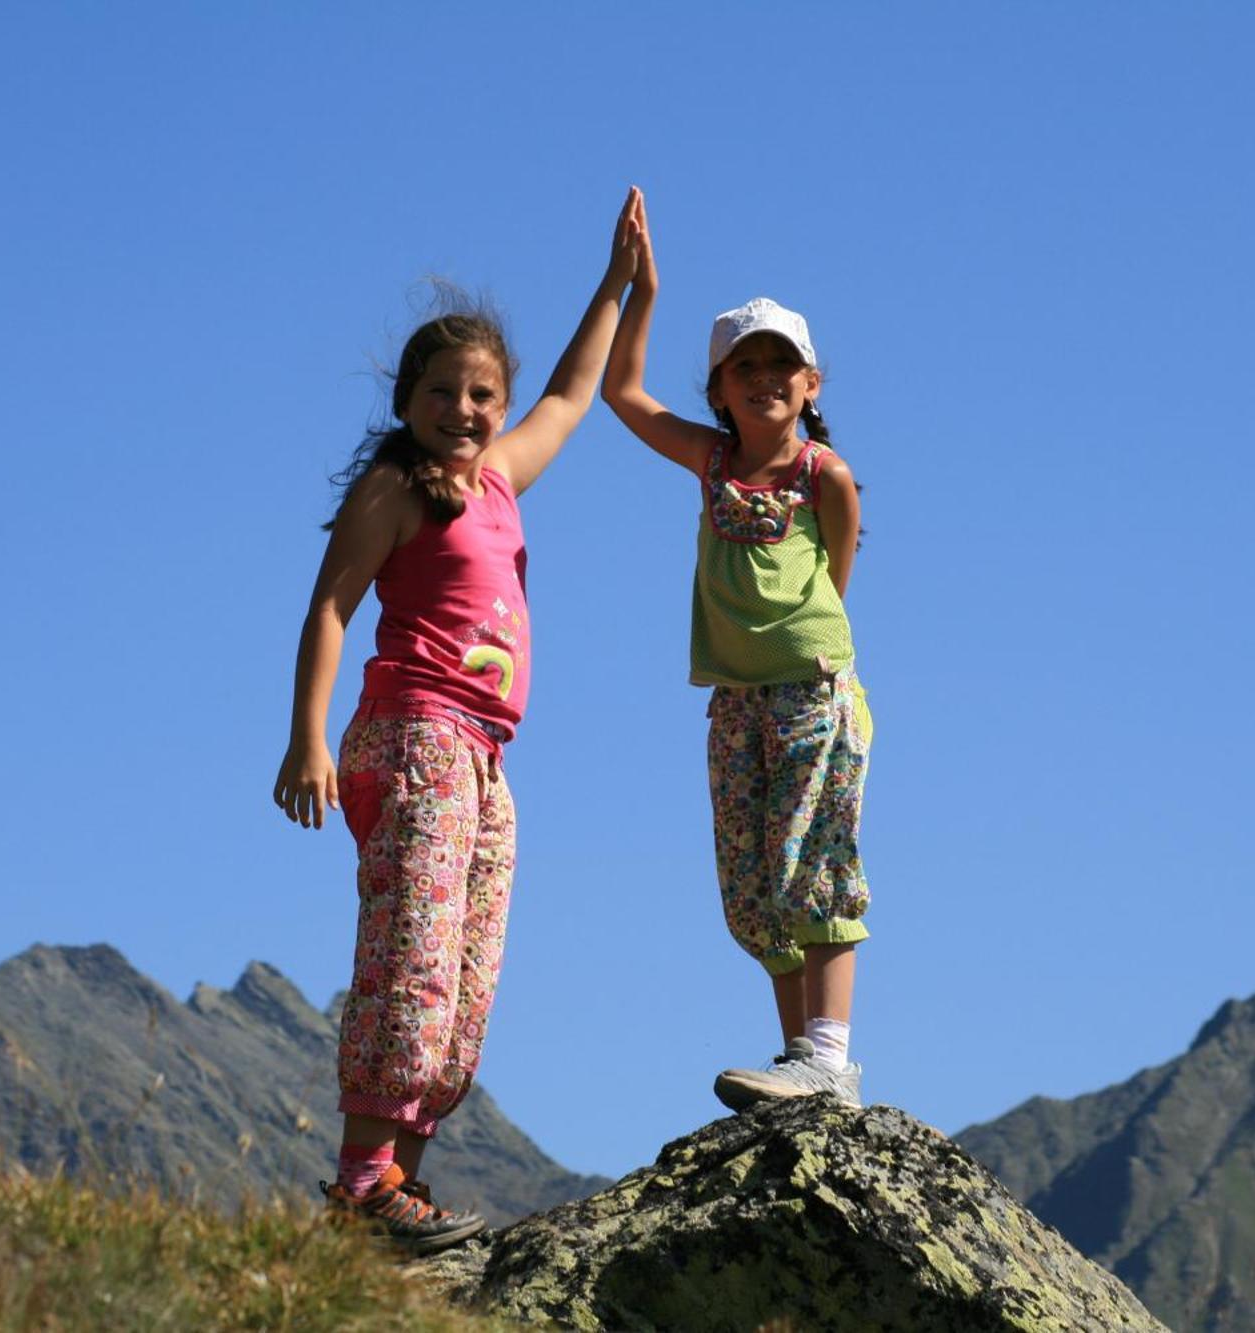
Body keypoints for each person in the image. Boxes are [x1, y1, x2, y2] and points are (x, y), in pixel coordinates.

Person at [273, 189, 643, 1253]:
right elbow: (330, 606)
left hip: (484, 758)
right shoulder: (397, 488)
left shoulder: (495, 481)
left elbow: (574, 399)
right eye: (444, 393)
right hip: (414, 738)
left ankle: (398, 1187)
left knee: (467, 981)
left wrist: (615, 287)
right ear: (407, 398)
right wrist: (307, 736)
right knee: (411, 957)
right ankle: (356, 1180)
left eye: (483, 395)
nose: (467, 411)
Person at [601, 196, 871, 1112]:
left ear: (812, 385)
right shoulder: (711, 461)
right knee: (754, 879)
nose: (763, 377)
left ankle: (830, 1053)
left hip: (809, 687)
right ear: (718, 388)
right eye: (742, 365)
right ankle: (801, 1059)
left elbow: (836, 574)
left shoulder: (821, 477)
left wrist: (809, 659)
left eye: (780, 365)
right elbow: (621, 394)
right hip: (735, 699)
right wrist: (641, 291)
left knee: (815, 858)